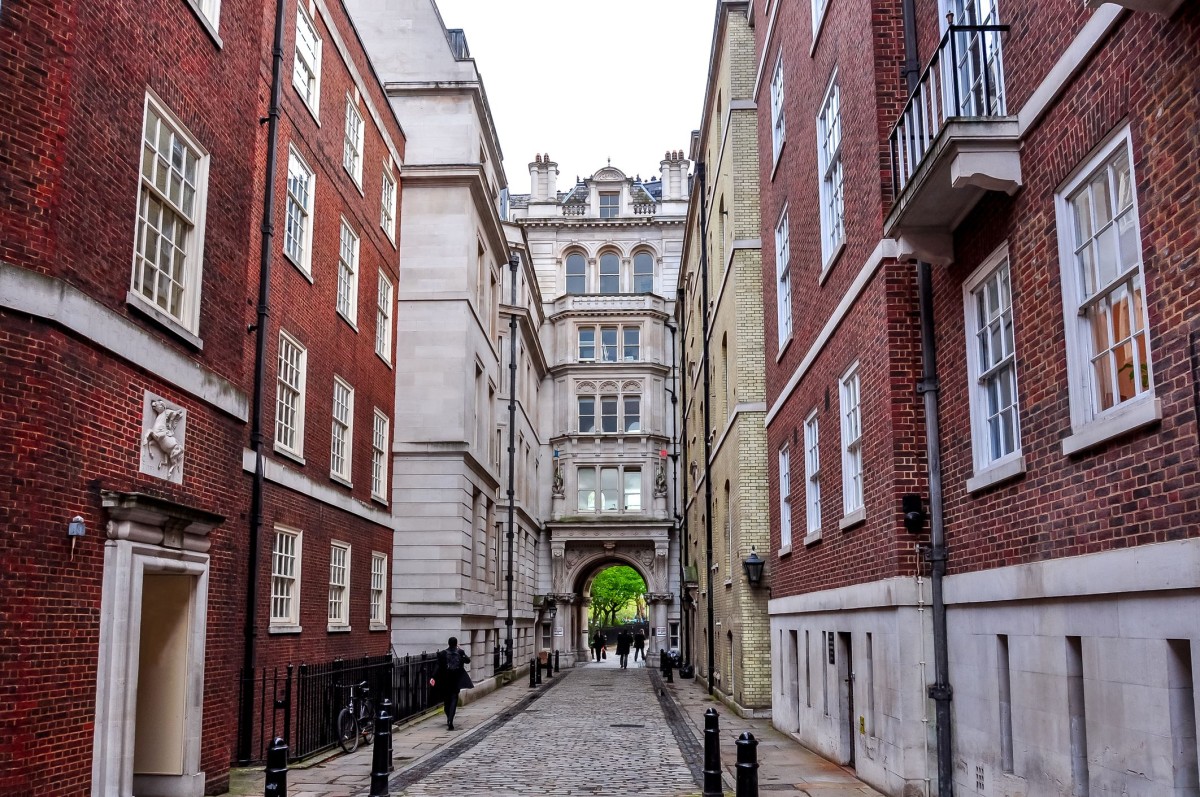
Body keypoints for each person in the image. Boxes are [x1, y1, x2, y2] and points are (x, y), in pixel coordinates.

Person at [429, 636, 473, 730]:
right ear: (456, 644)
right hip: (456, 679)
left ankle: (448, 716)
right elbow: (468, 661)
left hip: (445, 680)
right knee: (454, 699)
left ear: (448, 643)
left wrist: (433, 677)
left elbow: (438, 666)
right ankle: (450, 720)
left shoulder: (442, 653)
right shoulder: (460, 652)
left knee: (446, 701)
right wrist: (461, 651)